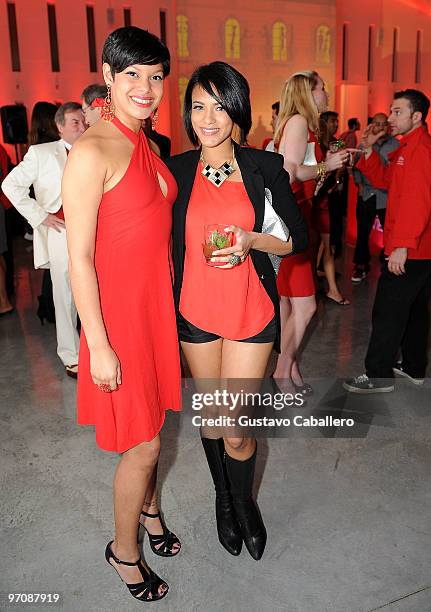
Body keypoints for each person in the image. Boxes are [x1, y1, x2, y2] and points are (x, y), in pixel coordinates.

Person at [166, 61, 307, 561]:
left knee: (238, 426)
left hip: (250, 309)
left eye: (219, 106)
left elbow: (295, 240)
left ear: (237, 111)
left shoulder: (263, 168)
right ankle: (223, 498)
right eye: (199, 106)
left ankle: (245, 500)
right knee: (211, 413)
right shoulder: (176, 170)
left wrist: (251, 240)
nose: (208, 118)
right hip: (196, 311)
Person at [62, 27, 181, 602]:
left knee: (156, 424)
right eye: (132, 73)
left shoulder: (147, 145)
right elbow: (78, 259)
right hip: (119, 322)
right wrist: (99, 344)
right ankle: (123, 550)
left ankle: (152, 513)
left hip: (155, 311)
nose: (147, 86)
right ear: (106, 77)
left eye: (156, 75)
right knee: (145, 444)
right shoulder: (92, 150)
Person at [344, 89, 431, 393]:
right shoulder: (409, 147)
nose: (390, 118)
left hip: (411, 248)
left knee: (387, 311)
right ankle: (413, 366)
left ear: (416, 116)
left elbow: (417, 203)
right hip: (418, 249)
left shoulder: (419, 150)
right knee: (416, 309)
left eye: (397, 112)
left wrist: (401, 246)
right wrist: (368, 151)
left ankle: (378, 375)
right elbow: (386, 182)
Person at [272, 71, 350, 391]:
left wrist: (324, 168)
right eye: (322, 89)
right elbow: (290, 173)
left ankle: (290, 367)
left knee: (290, 303)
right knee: (307, 306)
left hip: (293, 218)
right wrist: (325, 167)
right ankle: (281, 370)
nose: (327, 94)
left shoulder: (298, 122)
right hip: (292, 221)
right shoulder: (299, 122)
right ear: (309, 92)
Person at [2, 102, 86, 377]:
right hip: (61, 231)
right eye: (75, 121)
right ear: (59, 125)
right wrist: (40, 216)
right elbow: (10, 185)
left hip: (94, 230)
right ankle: (70, 355)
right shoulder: (41, 153)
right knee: (64, 294)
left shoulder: (94, 150)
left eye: (84, 121)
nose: (82, 126)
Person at [351, 113, 399, 283]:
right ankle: (360, 265)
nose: (380, 127)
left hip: (386, 196)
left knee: (389, 232)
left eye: (383, 124)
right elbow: (355, 166)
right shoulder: (363, 143)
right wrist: (359, 184)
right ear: (372, 125)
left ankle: (388, 264)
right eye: (376, 123)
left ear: (388, 126)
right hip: (367, 194)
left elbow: (391, 173)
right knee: (363, 232)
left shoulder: (396, 144)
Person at [312, 112, 350, 304]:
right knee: (313, 246)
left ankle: (332, 290)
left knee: (328, 245)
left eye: (337, 121)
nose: (335, 124)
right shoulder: (314, 144)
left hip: (327, 201)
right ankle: (315, 283)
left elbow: (341, 171)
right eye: (332, 121)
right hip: (312, 201)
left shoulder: (338, 143)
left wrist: (336, 175)